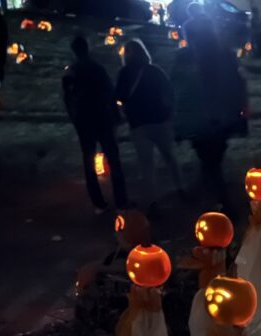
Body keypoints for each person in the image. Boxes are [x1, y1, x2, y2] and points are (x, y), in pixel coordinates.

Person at [171, 19, 247, 212]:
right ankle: (207, 195)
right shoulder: (223, 55)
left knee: (211, 161)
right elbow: (238, 86)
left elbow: (181, 90)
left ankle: (220, 202)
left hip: (206, 120)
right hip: (218, 119)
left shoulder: (189, 58)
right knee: (211, 161)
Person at [114, 38, 183, 211]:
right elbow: (170, 92)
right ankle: (179, 188)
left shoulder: (124, 74)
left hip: (139, 124)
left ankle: (152, 201)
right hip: (159, 120)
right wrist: (169, 113)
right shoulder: (155, 71)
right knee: (169, 157)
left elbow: (119, 96)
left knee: (147, 165)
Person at [62, 36, 128, 212]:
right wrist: (116, 115)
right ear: (87, 48)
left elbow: (67, 97)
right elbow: (110, 93)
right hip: (102, 117)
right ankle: (121, 200)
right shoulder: (97, 68)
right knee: (113, 159)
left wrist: (74, 118)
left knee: (88, 159)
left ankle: (98, 202)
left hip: (84, 119)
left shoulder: (71, 71)